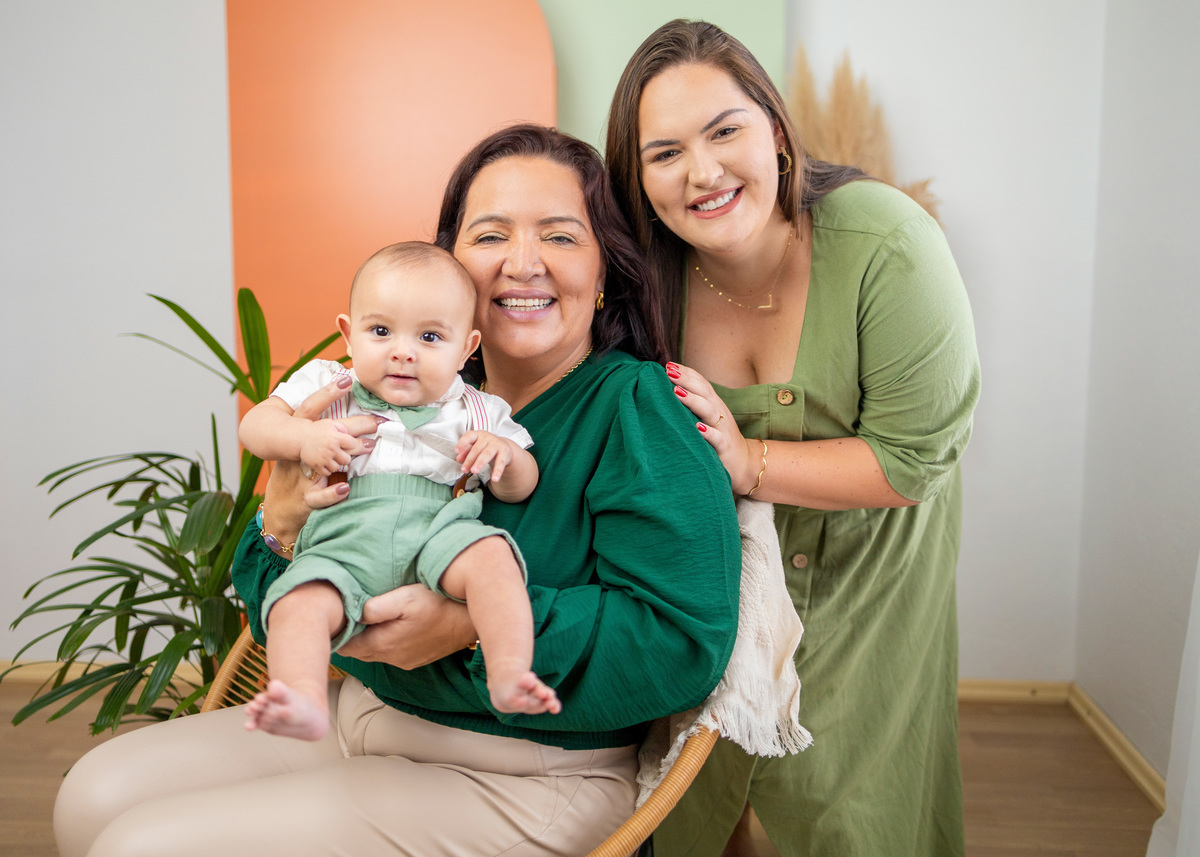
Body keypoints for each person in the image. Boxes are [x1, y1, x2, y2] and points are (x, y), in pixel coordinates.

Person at [52, 125, 742, 857]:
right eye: (491, 235)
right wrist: (279, 527)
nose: (523, 263)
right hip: (362, 711)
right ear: (450, 265)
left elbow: (682, 644)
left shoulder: (636, 408)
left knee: (141, 846)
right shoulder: (385, 385)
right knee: (90, 797)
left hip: (523, 769)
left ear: (607, 269)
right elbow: (274, 604)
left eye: (561, 237)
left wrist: (467, 625)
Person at [605, 19, 982, 857]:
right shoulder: (643, 278)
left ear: (776, 132)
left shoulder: (887, 242)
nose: (702, 172)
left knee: (852, 817)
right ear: (638, 178)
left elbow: (912, 459)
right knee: (701, 811)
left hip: (866, 591)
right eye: (665, 152)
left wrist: (748, 461)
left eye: (724, 131)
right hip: (716, 606)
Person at [238, 241, 558, 742]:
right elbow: (255, 428)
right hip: (341, 541)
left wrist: (505, 456)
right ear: (348, 334)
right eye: (381, 331)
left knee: (494, 559)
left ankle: (509, 671)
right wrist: (303, 438)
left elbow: (523, 487)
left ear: (466, 348)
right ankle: (300, 697)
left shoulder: (478, 409)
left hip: (439, 534)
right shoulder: (331, 384)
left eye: (430, 336)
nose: (402, 352)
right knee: (298, 603)